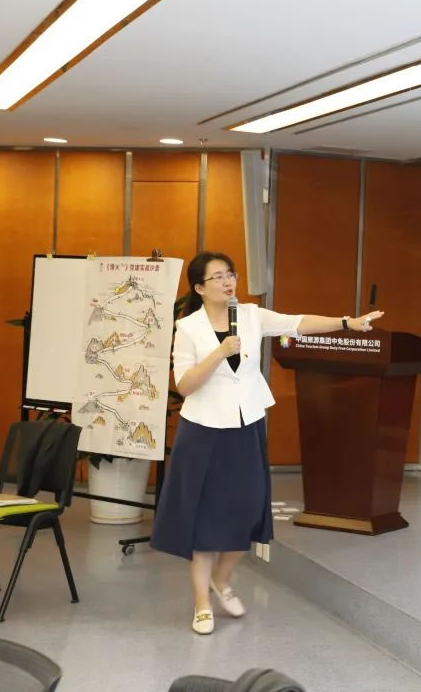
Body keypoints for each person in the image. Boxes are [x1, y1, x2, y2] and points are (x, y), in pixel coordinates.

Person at [150, 251, 383, 634]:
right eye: (218, 277)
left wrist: (347, 322)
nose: (228, 282)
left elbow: (297, 322)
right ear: (199, 288)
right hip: (204, 431)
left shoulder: (251, 315)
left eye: (231, 274)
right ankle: (202, 603)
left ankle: (222, 579)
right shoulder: (188, 327)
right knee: (206, 518)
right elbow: (185, 385)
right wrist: (219, 352)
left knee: (248, 511)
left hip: (246, 425)